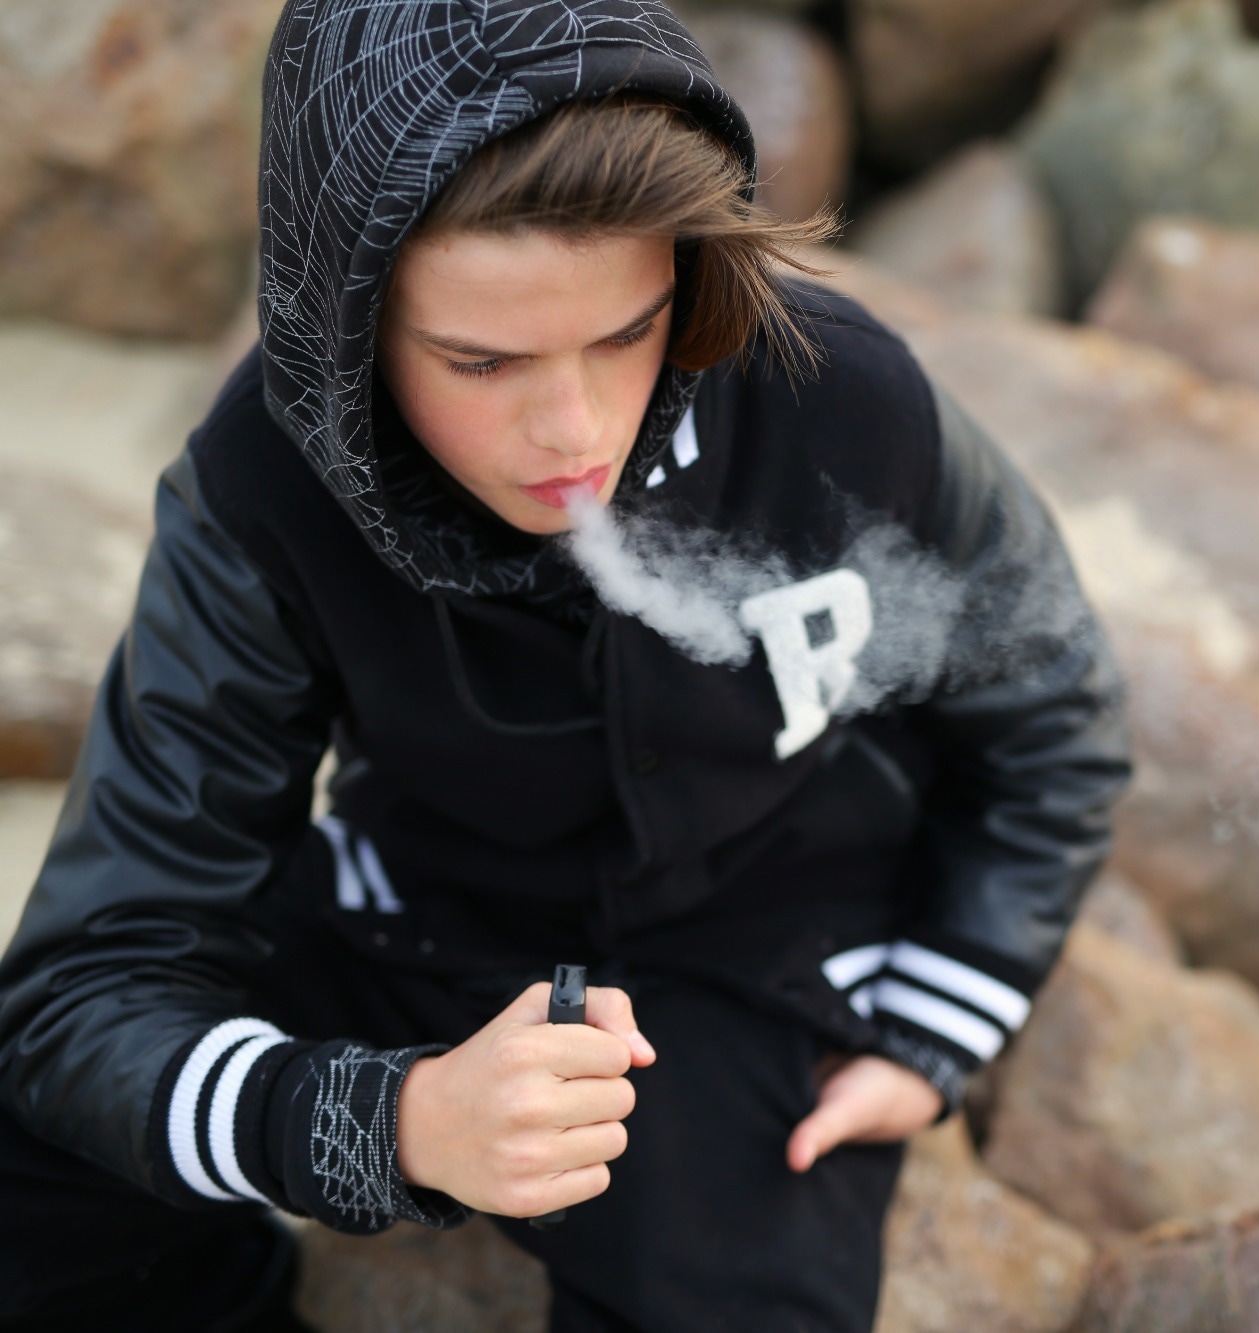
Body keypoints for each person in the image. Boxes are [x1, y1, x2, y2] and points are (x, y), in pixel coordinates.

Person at [0, 2, 1129, 1329]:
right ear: (344, 322)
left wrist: (936, 1026)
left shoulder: (842, 398)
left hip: (753, 956)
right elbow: (93, 986)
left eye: (625, 333)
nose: (572, 430)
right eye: (481, 360)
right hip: (414, 911)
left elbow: (1052, 714)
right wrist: (384, 1120)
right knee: (32, 1144)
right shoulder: (266, 484)